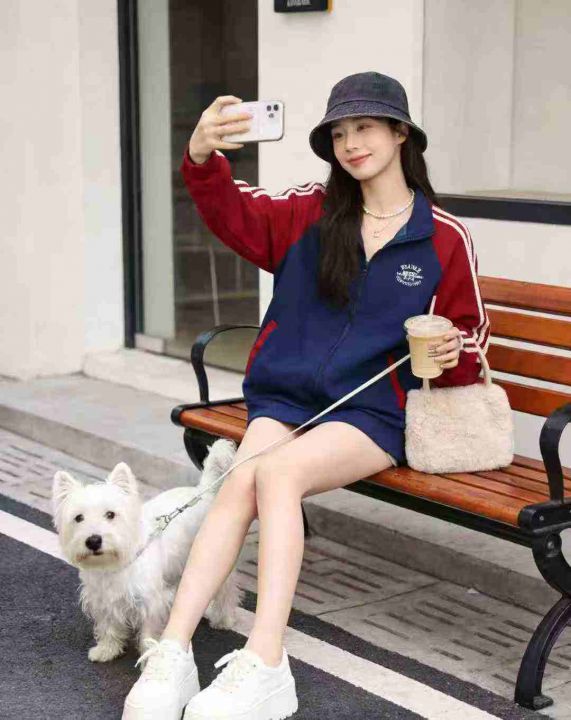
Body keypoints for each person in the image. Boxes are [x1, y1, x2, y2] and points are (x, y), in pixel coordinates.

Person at [122, 71, 490, 720]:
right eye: (339, 133)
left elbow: (470, 342)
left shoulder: (442, 237)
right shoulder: (309, 214)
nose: (351, 144)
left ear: (401, 134)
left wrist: (447, 356)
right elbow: (235, 215)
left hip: (374, 414)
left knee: (278, 474)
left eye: (365, 128)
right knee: (241, 477)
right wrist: (201, 157)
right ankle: (173, 652)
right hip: (288, 399)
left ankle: (266, 661)